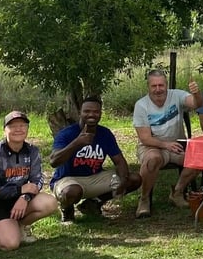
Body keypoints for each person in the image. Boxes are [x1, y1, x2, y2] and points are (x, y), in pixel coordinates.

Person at [0, 111, 58, 250]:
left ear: (27, 129)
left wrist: (25, 197)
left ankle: (19, 227)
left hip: (18, 200)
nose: (18, 129)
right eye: (13, 126)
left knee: (50, 203)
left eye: (22, 125)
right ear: (5, 130)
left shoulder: (32, 151)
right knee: (10, 244)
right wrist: (18, 190)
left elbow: (37, 180)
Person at [50, 95, 142, 224]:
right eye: (87, 111)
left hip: (95, 177)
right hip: (68, 179)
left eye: (96, 111)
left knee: (134, 179)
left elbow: (119, 161)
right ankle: (67, 210)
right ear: (80, 113)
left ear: (100, 114)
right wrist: (76, 143)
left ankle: (92, 203)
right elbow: (53, 161)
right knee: (71, 192)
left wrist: (123, 180)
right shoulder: (67, 134)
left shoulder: (105, 133)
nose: (91, 114)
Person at [132, 69, 203, 217]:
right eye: (154, 86)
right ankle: (144, 199)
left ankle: (177, 193)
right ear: (148, 87)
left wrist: (196, 93)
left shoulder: (177, 95)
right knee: (153, 159)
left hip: (176, 145)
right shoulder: (141, 105)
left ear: (166, 85)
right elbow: (145, 138)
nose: (158, 89)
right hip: (151, 146)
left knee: (198, 160)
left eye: (161, 85)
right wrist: (165, 145)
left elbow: (197, 104)